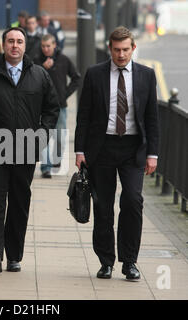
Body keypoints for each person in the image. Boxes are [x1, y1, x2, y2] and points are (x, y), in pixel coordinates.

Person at [0, 27, 60, 273]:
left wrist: (42, 135)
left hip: (26, 149)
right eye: (10, 41)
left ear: (25, 45)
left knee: (19, 202)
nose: (15, 46)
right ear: (4, 45)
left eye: (19, 41)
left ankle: (14, 255)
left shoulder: (39, 75)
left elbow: (52, 108)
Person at [74, 26, 159, 280]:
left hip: (133, 149)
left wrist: (153, 153)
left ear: (133, 48)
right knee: (103, 207)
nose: (121, 55)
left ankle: (129, 261)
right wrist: (79, 150)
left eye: (125, 49)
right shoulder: (95, 74)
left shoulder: (146, 75)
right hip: (102, 148)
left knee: (133, 202)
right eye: (116, 50)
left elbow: (152, 118)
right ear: (109, 49)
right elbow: (84, 115)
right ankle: (106, 261)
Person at [34, 34, 81, 178]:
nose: (46, 49)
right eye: (43, 46)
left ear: (54, 45)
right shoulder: (36, 60)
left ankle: (56, 159)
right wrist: (43, 68)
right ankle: (46, 167)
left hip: (60, 105)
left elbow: (76, 78)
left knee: (60, 136)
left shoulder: (63, 60)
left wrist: (65, 94)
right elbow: (31, 78)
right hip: (41, 105)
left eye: (48, 46)